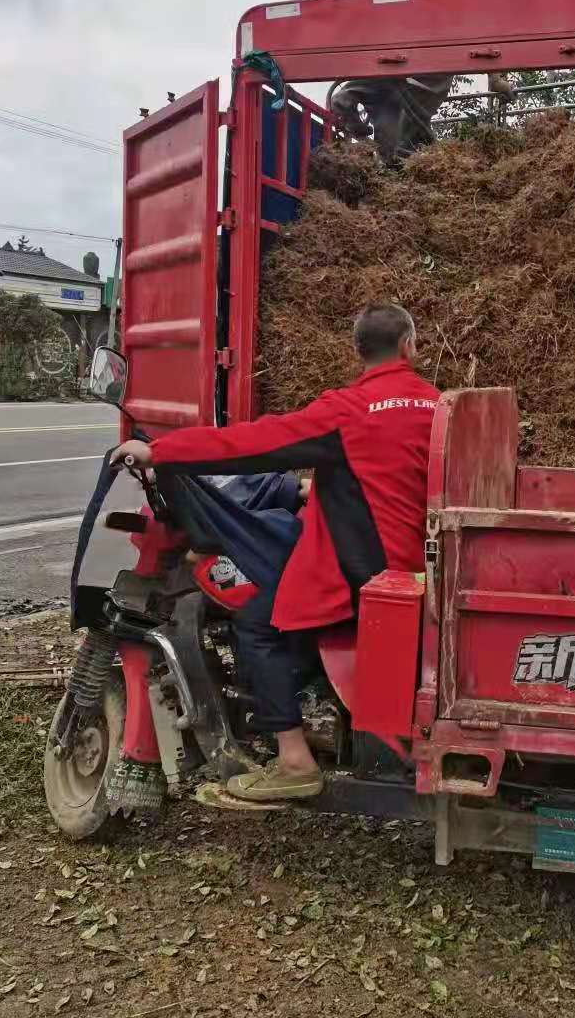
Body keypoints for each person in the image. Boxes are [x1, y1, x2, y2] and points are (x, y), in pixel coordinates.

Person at [111, 303, 440, 802]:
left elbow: (257, 443)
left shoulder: (347, 410)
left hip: (370, 575)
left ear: (357, 352)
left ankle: (293, 761)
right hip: (430, 567)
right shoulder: (440, 405)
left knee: (258, 625)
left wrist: (162, 451)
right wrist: (314, 490)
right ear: (409, 347)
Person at [331, 0, 553, 165]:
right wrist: (490, 71)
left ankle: (392, 165)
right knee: (438, 68)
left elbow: (478, 16)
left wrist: (494, 77)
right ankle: (404, 140)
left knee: (391, 83)